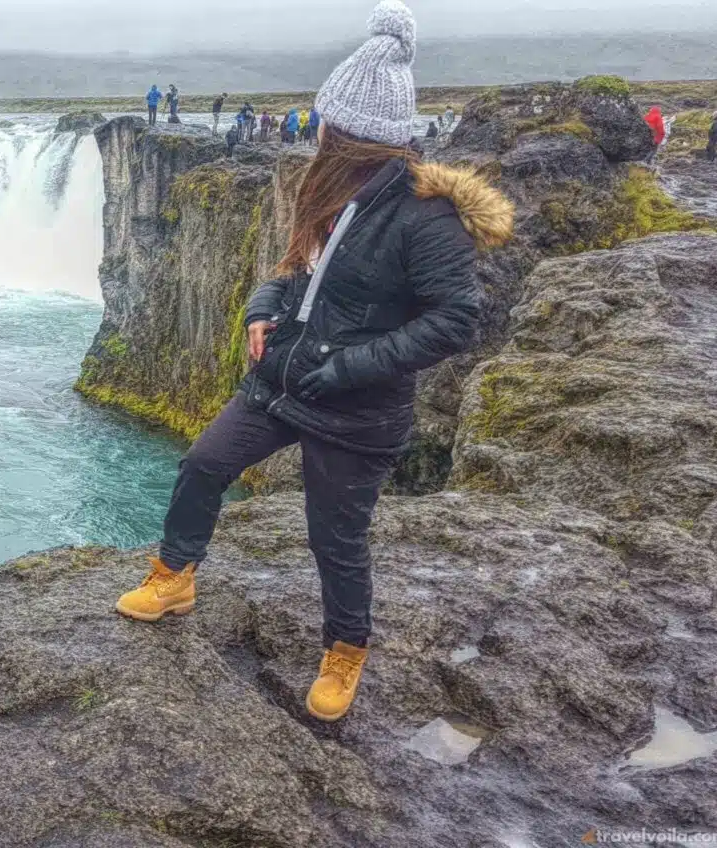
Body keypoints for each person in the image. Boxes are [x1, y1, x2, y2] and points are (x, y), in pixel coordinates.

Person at [114, 0, 511, 724]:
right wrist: (261, 309)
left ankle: (345, 652)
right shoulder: (332, 193)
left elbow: (457, 320)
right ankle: (174, 575)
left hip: (357, 404)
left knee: (335, 537)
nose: (321, 131)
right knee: (203, 464)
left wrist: (352, 366)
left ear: (355, 133)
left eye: (331, 122)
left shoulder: (426, 218)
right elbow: (297, 271)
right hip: (286, 377)